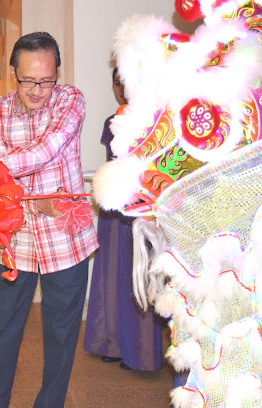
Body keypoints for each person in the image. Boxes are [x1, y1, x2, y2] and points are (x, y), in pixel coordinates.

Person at [0, 32, 99, 408]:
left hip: (67, 241)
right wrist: (37, 203)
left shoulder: (70, 99)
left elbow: (47, 149)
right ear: (12, 73)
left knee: (62, 336)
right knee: (2, 330)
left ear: (57, 74)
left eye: (46, 80)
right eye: (28, 80)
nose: (37, 90)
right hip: (14, 241)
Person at [82, 67, 165, 371]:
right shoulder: (111, 121)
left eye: (125, 82)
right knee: (112, 277)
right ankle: (112, 344)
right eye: (116, 82)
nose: (120, 88)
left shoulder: (155, 119)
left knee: (139, 278)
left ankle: (141, 353)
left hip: (142, 209)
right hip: (113, 211)